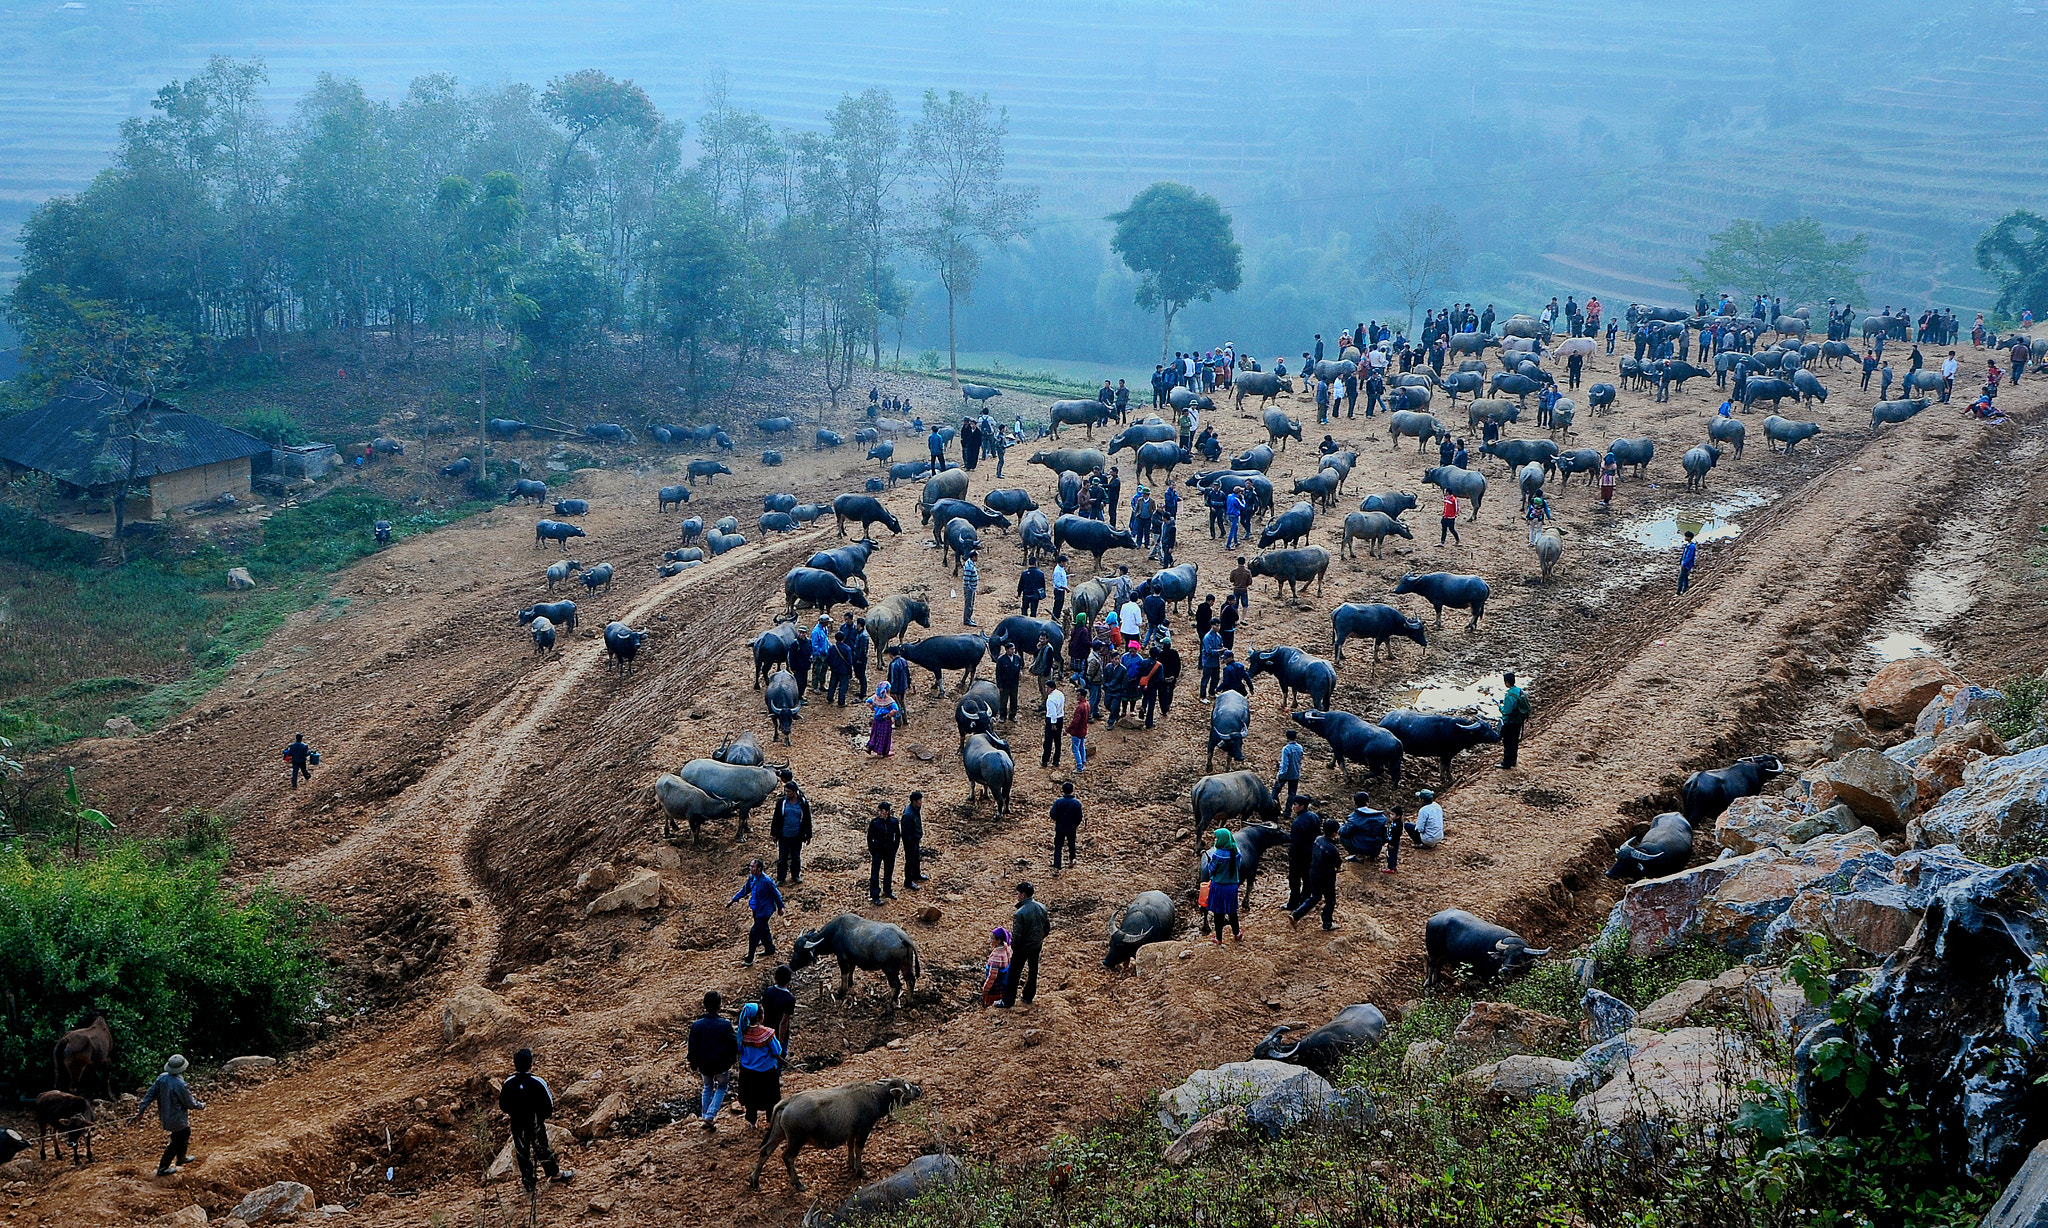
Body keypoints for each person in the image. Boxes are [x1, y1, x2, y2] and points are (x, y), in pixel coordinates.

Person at [497, 1048, 574, 1190]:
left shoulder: (508, 1083)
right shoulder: (538, 1082)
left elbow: (503, 1105)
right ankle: (554, 1173)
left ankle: (529, 1182)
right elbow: (549, 1105)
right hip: (535, 1122)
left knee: (522, 1152)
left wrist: (513, 1113)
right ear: (531, 1064)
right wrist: (541, 1117)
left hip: (517, 1123)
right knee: (542, 1148)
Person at [136, 1053, 206, 1177]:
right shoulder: (180, 1084)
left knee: (183, 1134)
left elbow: (149, 1095)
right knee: (178, 1139)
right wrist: (200, 1105)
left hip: (165, 1116)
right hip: (177, 1118)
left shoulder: (161, 1078)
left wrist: (141, 1111)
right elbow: (189, 1102)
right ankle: (163, 1167)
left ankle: (181, 1157)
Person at [688, 992, 738, 1130]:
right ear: (719, 1006)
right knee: (722, 1087)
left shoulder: (697, 1025)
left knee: (707, 1087)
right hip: (721, 1065)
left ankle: (705, 1116)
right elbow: (733, 1043)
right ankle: (710, 1116)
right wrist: (733, 1058)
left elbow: (692, 1047)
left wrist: (693, 1062)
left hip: (704, 1065)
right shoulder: (725, 1024)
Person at [735, 1003, 784, 1126]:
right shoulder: (767, 1034)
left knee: (751, 1099)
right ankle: (771, 1120)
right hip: (767, 1072)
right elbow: (777, 1051)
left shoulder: (742, 1033)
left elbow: (740, 1050)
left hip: (748, 1072)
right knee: (770, 1098)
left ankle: (752, 1121)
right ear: (759, 1017)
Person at [728, 858, 784, 966]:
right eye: (750, 866)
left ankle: (749, 958)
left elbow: (776, 894)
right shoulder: (752, 878)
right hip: (756, 908)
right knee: (763, 930)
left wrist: (780, 907)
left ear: (759, 869)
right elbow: (745, 890)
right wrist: (733, 900)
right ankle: (770, 949)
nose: (751, 869)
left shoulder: (767, 881)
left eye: (753, 867)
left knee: (754, 933)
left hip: (764, 911)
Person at [1290, 819, 1343, 930]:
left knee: (1315, 897)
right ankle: (1327, 923)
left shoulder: (1318, 840)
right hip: (1327, 878)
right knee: (1330, 900)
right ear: (1334, 833)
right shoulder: (1332, 849)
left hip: (1314, 873)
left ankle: (1296, 914)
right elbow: (1338, 863)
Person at [1005, 882, 1049, 1007]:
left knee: (1014, 973)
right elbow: (1047, 927)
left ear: (1023, 895)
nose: (1017, 896)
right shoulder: (1042, 907)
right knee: (1033, 971)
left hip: (1023, 948)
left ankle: (1008, 1000)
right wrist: (1039, 939)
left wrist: (1014, 948)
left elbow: (1017, 935)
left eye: (1018, 894)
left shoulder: (1020, 913)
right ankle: (1028, 996)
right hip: (1036, 945)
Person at [1201, 828, 1242, 943]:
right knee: (1232, 911)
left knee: (1218, 913)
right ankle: (1237, 933)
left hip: (1218, 887)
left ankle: (1219, 938)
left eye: (1217, 838)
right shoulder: (1236, 852)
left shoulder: (1217, 854)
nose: (1216, 840)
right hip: (1232, 887)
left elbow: (1211, 871)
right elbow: (1238, 867)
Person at [771, 781, 812, 884]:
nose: (786, 793)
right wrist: (774, 833)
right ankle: (781, 878)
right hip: (784, 835)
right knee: (782, 858)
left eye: (788, 791)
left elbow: (807, 818)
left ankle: (795, 876)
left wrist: (808, 834)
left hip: (797, 835)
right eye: (785, 791)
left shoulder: (802, 803)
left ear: (794, 792)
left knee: (795, 857)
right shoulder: (782, 802)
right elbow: (776, 818)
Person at [1285, 795, 1320, 909]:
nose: (1293, 807)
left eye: (1296, 804)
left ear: (1302, 806)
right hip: (1311, 853)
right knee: (1307, 878)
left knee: (1294, 880)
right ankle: (1305, 900)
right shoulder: (1314, 817)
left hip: (1299, 855)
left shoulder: (1297, 823)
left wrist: (1291, 855)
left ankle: (1293, 903)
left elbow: (1295, 843)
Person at [866, 801, 900, 904]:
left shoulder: (894, 822)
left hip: (889, 851)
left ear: (887, 812)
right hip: (878, 851)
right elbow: (869, 838)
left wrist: (894, 848)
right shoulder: (875, 823)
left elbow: (897, 836)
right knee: (875, 874)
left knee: (888, 871)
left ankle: (887, 890)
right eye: (879, 811)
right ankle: (875, 895)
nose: (880, 813)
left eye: (882, 811)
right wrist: (873, 850)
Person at [761, 964, 797, 1050]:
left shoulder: (768, 991)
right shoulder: (790, 999)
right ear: (789, 980)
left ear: (775, 977)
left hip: (766, 1030)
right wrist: (781, 1040)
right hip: (777, 1032)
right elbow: (784, 1022)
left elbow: (763, 1010)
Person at [1499, 671, 1529, 770]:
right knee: (1514, 741)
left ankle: (1506, 763)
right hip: (1518, 721)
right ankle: (1513, 760)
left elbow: (1507, 711)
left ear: (1506, 682)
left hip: (1510, 722)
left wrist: (1500, 707)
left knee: (1507, 742)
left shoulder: (1509, 695)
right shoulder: (1519, 691)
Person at [900, 792, 927, 890]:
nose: (921, 802)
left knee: (916, 858)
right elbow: (905, 832)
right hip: (910, 841)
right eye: (919, 800)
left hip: (915, 839)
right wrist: (910, 842)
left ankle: (916, 874)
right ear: (914, 802)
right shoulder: (908, 814)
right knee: (910, 861)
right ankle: (908, 881)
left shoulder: (915, 809)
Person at [981, 927, 1013, 1007]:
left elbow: (992, 976)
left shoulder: (996, 957)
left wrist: (986, 989)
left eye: (992, 938)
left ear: (998, 940)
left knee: (989, 1005)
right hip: (1002, 985)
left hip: (994, 988)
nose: (990, 940)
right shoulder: (1006, 949)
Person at [865, 682, 899, 757]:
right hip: (885, 721)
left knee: (875, 734)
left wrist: (872, 708)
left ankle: (870, 747)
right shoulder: (889, 700)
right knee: (884, 736)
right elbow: (896, 709)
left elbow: (867, 702)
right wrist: (889, 715)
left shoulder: (875, 697)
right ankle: (884, 751)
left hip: (876, 719)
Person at [1274, 728, 1304, 809]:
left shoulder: (1286, 749)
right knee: (1291, 794)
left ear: (1287, 737)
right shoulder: (1300, 747)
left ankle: (1272, 807)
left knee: (1275, 792)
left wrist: (1280, 775)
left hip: (1285, 775)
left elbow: (1285, 764)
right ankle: (1288, 812)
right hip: (1295, 774)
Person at [995, 642, 1023, 722]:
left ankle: (1012, 715)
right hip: (1005, 684)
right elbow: (998, 673)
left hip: (1014, 683)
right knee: (1003, 700)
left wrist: (1020, 671)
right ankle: (1002, 716)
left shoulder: (1017, 658)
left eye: (1014, 649)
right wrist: (999, 685)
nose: (1013, 651)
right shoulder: (1001, 660)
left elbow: (1020, 666)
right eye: (1011, 649)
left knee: (1014, 700)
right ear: (1007, 650)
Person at [1067, 684, 1091, 772]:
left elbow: (1075, 721)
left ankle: (1079, 766)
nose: (1077, 696)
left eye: (1078, 695)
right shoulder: (1087, 704)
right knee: (1081, 746)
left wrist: (1068, 730)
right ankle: (1083, 761)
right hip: (1084, 729)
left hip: (1077, 731)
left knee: (1075, 748)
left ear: (1082, 696)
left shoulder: (1080, 707)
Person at [1042, 684, 1066, 769]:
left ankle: (1045, 760)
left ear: (1052, 688)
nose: (1046, 689)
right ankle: (1056, 760)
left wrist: (1053, 723)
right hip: (1060, 718)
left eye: (1047, 687)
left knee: (1048, 741)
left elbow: (1053, 713)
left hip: (1052, 720)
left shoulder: (1050, 699)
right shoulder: (1060, 694)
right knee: (1058, 740)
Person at [887, 647, 912, 726]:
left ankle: (898, 722)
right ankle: (905, 720)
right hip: (903, 686)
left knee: (896, 705)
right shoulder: (903, 661)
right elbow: (908, 673)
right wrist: (909, 683)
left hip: (896, 689)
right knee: (902, 703)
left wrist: (892, 690)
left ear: (891, 654)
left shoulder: (894, 665)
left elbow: (893, 679)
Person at [960, 550, 980, 627]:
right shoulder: (969, 566)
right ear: (973, 557)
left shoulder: (971, 564)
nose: (977, 558)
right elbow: (966, 579)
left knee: (971, 604)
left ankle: (968, 618)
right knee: (969, 604)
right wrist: (969, 588)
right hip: (970, 588)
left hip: (972, 587)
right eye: (976, 556)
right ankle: (967, 620)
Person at [1050, 555, 1070, 622]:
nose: (1066, 564)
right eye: (1065, 562)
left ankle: (1057, 616)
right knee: (1058, 604)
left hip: (1061, 590)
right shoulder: (1057, 571)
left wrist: (1068, 576)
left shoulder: (1061, 569)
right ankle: (1055, 617)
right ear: (1061, 562)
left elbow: (1062, 578)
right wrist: (1066, 588)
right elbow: (1057, 584)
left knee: (1060, 604)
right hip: (1059, 590)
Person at [1678, 530, 1698, 595]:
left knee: (1681, 578)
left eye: (1686, 536)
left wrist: (1684, 564)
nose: (1685, 538)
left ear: (1689, 538)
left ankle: (1679, 592)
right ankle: (1685, 589)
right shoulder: (1688, 545)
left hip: (1686, 565)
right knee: (1685, 577)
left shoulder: (1691, 547)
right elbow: (1684, 554)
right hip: (1685, 564)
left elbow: (1689, 557)